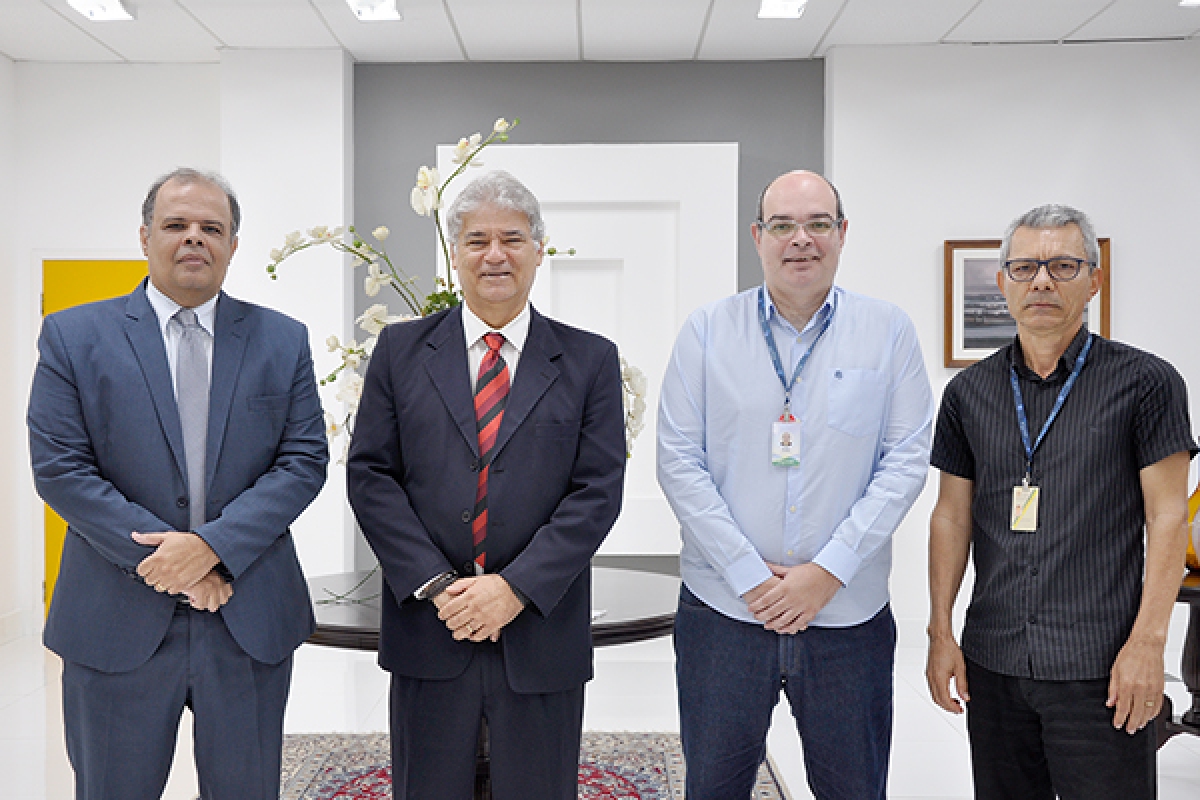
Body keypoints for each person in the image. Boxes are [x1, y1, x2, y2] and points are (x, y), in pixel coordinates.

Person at [28, 168, 329, 800]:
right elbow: (61, 468)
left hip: (247, 620)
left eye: (211, 228)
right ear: (144, 236)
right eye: (177, 225)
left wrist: (211, 548)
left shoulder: (282, 339)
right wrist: (179, 563)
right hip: (114, 624)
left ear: (232, 245)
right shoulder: (74, 336)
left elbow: (303, 461)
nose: (195, 238)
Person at [346, 170, 626, 800]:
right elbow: (370, 475)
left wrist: (513, 589)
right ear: (453, 255)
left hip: (540, 634)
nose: (494, 254)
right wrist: (438, 586)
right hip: (430, 626)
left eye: (512, 239)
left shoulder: (589, 361)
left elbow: (598, 491)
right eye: (476, 240)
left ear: (538, 250)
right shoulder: (398, 352)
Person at [657, 169, 934, 799]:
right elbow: (678, 462)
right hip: (725, 616)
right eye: (782, 225)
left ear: (842, 234)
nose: (799, 239)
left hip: (847, 621)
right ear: (758, 236)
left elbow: (904, 464)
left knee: (853, 790)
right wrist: (751, 578)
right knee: (714, 788)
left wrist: (827, 572)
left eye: (817, 224)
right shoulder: (707, 333)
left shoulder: (889, 333)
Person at [926, 204, 1195, 800]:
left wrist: (1149, 645)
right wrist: (940, 632)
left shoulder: (1147, 383)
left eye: (1063, 265)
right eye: (1024, 267)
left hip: (1100, 667)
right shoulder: (967, 393)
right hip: (993, 662)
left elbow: (1168, 517)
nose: (1042, 280)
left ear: (1094, 280)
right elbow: (951, 514)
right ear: (1002, 283)